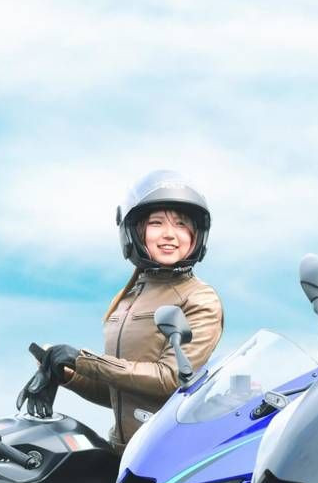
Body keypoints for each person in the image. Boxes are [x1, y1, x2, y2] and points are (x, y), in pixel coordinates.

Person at [38, 170, 224, 453]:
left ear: (195, 235)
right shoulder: (127, 298)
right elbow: (121, 391)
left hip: (168, 455)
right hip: (123, 452)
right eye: (156, 223)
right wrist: (68, 373)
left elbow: (170, 379)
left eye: (181, 224)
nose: (170, 234)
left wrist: (82, 360)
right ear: (135, 231)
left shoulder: (199, 297)